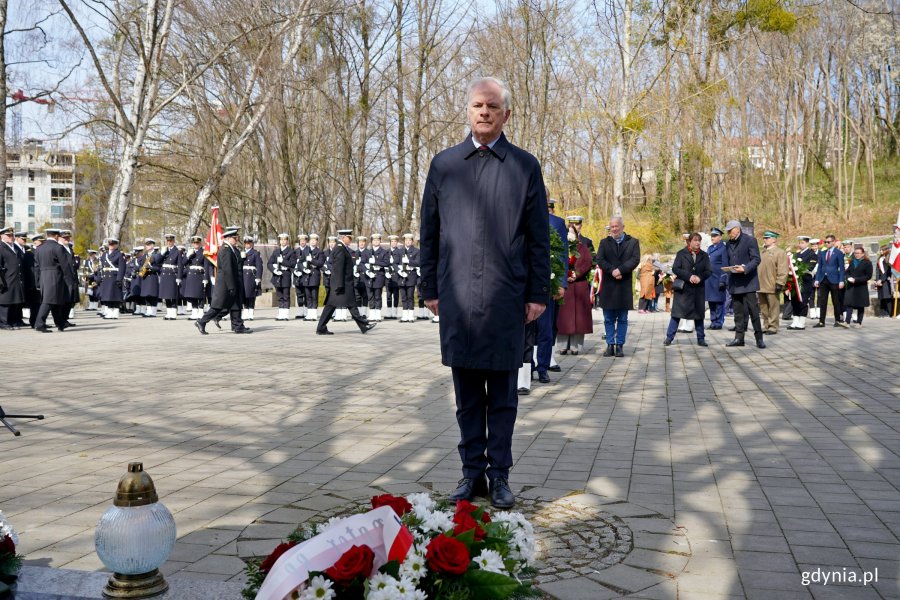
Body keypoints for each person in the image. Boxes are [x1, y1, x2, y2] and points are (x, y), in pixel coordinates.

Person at [419, 76, 550, 509]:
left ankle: (500, 476)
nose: (484, 112)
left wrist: (537, 293)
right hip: (457, 297)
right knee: (467, 397)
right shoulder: (445, 165)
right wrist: (429, 287)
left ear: (506, 114)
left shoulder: (524, 166)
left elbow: (538, 238)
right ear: (468, 110)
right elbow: (429, 232)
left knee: (504, 398)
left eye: (493, 106)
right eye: (478, 105)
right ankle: (471, 473)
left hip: (506, 298)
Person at [316, 229, 377, 335]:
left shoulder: (341, 248)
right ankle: (363, 325)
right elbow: (338, 268)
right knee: (344, 305)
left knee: (339, 305)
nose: (351, 239)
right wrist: (339, 285)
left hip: (342, 283)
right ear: (343, 237)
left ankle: (321, 328)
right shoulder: (340, 249)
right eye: (349, 238)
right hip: (342, 284)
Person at [596, 216, 640, 357]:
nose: (614, 229)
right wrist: (612, 271)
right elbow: (600, 259)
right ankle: (610, 345)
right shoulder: (604, 242)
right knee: (608, 318)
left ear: (622, 227)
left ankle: (620, 345)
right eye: (612, 226)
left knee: (622, 318)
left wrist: (620, 270)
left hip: (623, 286)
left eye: (617, 226)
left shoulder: (633, 242)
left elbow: (635, 259)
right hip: (609, 286)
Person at [195, 227, 252, 334]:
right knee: (218, 306)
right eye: (235, 238)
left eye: (237, 237)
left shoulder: (231, 249)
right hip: (226, 283)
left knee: (236, 304)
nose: (237, 239)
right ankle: (201, 321)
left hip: (233, 281)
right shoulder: (226, 250)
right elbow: (227, 270)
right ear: (228, 238)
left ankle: (238, 326)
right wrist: (231, 286)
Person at [535, 198, 567, 383]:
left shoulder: (556, 223)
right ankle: (525, 368)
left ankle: (542, 367)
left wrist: (561, 283)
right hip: (524, 282)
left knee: (546, 328)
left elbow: (562, 253)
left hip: (549, 282)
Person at [664, 232, 712, 346]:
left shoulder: (704, 255)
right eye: (695, 240)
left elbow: (708, 271)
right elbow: (676, 269)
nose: (697, 243)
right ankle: (669, 338)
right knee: (676, 314)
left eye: (699, 240)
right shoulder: (681, 253)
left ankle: (701, 339)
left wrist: (700, 277)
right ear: (689, 242)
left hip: (698, 290)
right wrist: (689, 276)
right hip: (684, 290)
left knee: (699, 315)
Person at [724, 220, 765, 348]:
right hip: (735, 283)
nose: (728, 233)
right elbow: (728, 260)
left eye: (730, 231)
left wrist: (745, 268)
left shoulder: (750, 240)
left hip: (748, 283)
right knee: (738, 313)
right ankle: (739, 338)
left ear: (737, 229)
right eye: (727, 231)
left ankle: (759, 339)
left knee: (754, 312)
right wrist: (727, 269)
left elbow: (756, 259)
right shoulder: (728, 243)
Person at [556, 224, 593, 355]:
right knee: (563, 318)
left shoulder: (583, 248)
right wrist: (564, 275)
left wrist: (575, 274)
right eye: (567, 233)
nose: (570, 235)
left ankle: (575, 346)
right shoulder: (559, 248)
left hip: (578, 286)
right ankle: (562, 346)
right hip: (563, 286)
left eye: (572, 233)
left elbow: (587, 263)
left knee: (578, 318)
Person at [33, 229, 77, 333]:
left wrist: (37, 281)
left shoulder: (39, 248)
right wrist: (70, 279)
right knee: (48, 301)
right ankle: (39, 323)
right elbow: (64, 265)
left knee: (56, 301)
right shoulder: (58, 247)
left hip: (43, 276)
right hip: (55, 276)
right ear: (56, 236)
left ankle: (60, 323)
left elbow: (36, 266)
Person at [757, 230, 789, 335]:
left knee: (773, 307)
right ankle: (766, 325)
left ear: (774, 239)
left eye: (768, 238)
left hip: (772, 284)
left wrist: (780, 282)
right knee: (763, 307)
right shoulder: (762, 252)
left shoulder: (780, 252)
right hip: (761, 284)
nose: (765, 240)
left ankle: (773, 326)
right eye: (764, 238)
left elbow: (783, 269)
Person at [813, 234, 845, 327]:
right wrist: (817, 279)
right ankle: (821, 321)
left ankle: (837, 320)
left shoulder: (838, 253)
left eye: (828, 242)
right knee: (822, 301)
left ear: (834, 242)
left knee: (836, 301)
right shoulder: (823, 253)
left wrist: (841, 280)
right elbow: (819, 267)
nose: (827, 243)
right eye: (825, 242)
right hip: (823, 279)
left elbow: (841, 268)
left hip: (834, 279)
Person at [787, 236, 817, 330]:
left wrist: (799, 270)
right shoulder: (796, 254)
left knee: (803, 301)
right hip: (795, 282)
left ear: (807, 243)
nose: (801, 244)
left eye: (803, 243)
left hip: (805, 281)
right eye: (800, 243)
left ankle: (802, 321)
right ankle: (795, 320)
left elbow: (810, 267)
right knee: (795, 301)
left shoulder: (812, 254)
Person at [0, 226, 25, 329]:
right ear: (2, 236)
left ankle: (12, 321)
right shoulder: (1, 247)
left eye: (12, 235)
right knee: (5, 302)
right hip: (5, 279)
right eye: (8, 235)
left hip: (15, 279)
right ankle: (3, 322)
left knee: (14, 301)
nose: (11, 237)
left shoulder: (14, 247)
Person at [842, 245, 872, 328]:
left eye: (858, 253)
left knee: (860, 305)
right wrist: (848, 277)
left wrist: (856, 280)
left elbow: (868, 276)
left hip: (861, 286)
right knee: (849, 304)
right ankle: (847, 322)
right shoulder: (852, 262)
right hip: (851, 286)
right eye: (855, 253)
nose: (856, 255)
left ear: (863, 254)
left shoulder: (867, 263)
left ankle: (859, 323)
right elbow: (847, 272)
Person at [268, 233, 295, 321]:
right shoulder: (276, 252)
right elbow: (269, 263)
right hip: (277, 276)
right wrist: (274, 269)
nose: (283, 241)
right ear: (279, 241)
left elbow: (292, 264)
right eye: (281, 240)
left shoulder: (291, 251)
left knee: (286, 295)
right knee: (279, 296)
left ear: (287, 241)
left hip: (285, 275)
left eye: (284, 240)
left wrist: (283, 261)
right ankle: (280, 313)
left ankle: (285, 314)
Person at [182, 236, 210, 320]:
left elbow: (206, 266)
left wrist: (206, 278)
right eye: (194, 243)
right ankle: (194, 312)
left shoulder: (204, 252)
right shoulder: (190, 252)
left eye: (197, 243)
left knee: (200, 294)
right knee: (192, 295)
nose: (196, 244)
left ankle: (201, 311)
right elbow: (183, 263)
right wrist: (188, 256)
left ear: (200, 243)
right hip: (191, 276)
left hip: (199, 275)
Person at [705, 228, 727, 329]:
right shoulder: (710, 248)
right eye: (712, 236)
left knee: (719, 302)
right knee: (711, 302)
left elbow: (725, 264)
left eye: (715, 236)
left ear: (720, 237)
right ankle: (713, 321)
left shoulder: (723, 248)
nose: (712, 237)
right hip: (709, 279)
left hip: (718, 279)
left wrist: (723, 279)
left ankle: (719, 322)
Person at [157, 234, 183, 320]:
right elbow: (157, 261)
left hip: (172, 275)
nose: (169, 243)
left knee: (173, 294)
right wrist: (161, 253)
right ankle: (169, 313)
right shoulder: (165, 251)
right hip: (164, 274)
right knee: (166, 295)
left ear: (173, 241)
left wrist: (179, 277)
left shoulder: (177, 251)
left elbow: (180, 265)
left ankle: (173, 313)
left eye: (170, 241)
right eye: (168, 241)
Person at [364, 233, 389, 321]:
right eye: (374, 240)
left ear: (380, 241)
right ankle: (372, 314)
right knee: (370, 295)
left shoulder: (384, 252)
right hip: (368, 276)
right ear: (371, 241)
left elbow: (386, 263)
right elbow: (362, 263)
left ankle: (377, 314)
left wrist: (375, 262)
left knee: (378, 295)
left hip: (379, 276)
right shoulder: (367, 252)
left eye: (377, 240)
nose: (376, 241)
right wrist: (366, 271)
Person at [98, 238, 126, 319]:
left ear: (116, 245)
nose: (111, 246)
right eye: (110, 244)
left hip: (114, 277)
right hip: (106, 277)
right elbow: (101, 267)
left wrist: (119, 279)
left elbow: (122, 268)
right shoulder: (105, 254)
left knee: (115, 296)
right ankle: (110, 312)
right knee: (108, 296)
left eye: (113, 244)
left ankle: (115, 312)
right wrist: (100, 276)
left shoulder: (119, 254)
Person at [301, 234, 325, 321]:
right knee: (307, 296)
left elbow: (321, 263)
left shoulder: (319, 252)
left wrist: (312, 260)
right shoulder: (305, 251)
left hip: (314, 275)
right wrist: (303, 268)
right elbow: (299, 262)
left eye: (315, 240)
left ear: (317, 242)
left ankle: (314, 314)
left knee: (314, 295)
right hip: (306, 275)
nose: (313, 242)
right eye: (311, 240)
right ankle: (309, 314)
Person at [397, 233, 419, 322]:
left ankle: (411, 315)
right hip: (401, 276)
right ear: (404, 241)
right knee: (403, 297)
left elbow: (418, 262)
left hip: (411, 277)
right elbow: (394, 263)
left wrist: (409, 261)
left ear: (412, 241)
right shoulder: (399, 251)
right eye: (406, 240)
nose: (408, 241)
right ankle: (405, 315)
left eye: (410, 240)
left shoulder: (416, 251)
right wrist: (398, 271)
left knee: (410, 296)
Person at [241, 236, 263, 321]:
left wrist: (258, 277)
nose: (247, 245)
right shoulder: (242, 252)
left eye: (249, 243)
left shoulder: (255, 253)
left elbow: (259, 266)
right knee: (244, 295)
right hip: (243, 276)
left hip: (251, 276)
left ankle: (250, 312)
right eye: (246, 243)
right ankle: (245, 311)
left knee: (251, 295)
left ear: (251, 244)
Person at [139, 238, 161, 317]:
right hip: (145, 277)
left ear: (152, 245)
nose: (147, 246)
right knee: (146, 295)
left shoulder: (157, 255)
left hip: (153, 276)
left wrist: (151, 268)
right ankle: (148, 311)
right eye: (146, 245)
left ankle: (153, 311)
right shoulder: (144, 256)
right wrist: (140, 269)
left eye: (148, 245)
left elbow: (159, 268)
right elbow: (141, 266)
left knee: (153, 295)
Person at [293, 234, 310, 319]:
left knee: (306, 293)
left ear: (306, 241)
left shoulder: (309, 250)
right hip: (297, 275)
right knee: (299, 293)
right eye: (301, 241)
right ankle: (300, 311)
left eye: (304, 240)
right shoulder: (295, 251)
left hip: (306, 275)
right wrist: (294, 271)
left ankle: (306, 311)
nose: (302, 242)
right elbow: (291, 263)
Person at [386, 235, 402, 319]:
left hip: (396, 276)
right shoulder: (386, 252)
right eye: (392, 241)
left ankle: (395, 312)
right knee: (388, 295)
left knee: (396, 295)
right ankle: (389, 313)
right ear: (390, 243)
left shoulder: (400, 252)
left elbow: (401, 263)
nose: (393, 243)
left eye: (395, 241)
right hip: (388, 276)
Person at [875, 245, 893, 316]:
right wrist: (877, 280)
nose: (880, 251)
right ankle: (883, 313)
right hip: (880, 281)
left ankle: (890, 312)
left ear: (886, 250)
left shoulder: (888, 258)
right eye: (880, 250)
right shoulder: (880, 259)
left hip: (886, 280)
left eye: (882, 250)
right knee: (881, 297)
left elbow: (888, 271)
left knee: (887, 297)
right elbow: (877, 271)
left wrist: (881, 280)